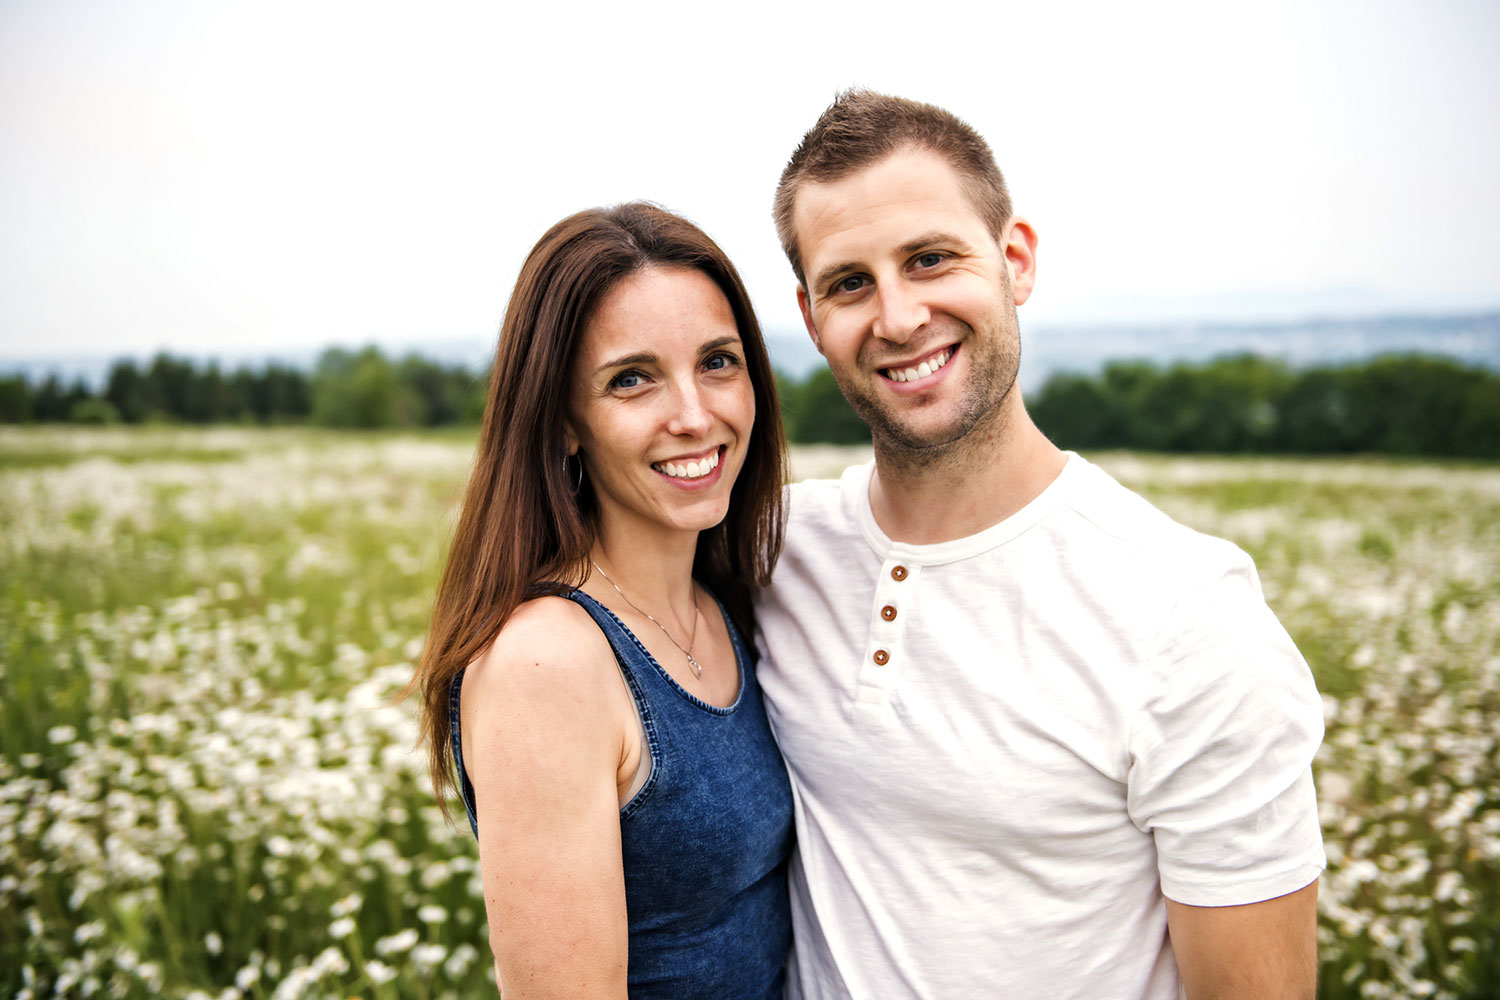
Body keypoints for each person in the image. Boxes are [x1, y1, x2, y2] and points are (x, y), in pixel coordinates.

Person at [755, 90, 1326, 999]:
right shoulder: (773, 555)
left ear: (1014, 260)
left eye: (931, 258)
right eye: (850, 282)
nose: (898, 317)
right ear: (812, 313)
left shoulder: (1189, 618)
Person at [409, 202, 793, 999]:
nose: (694, 416)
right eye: (632, 379)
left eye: (719, 362)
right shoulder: (548, 663)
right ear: (563, 422)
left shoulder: (730, 602)